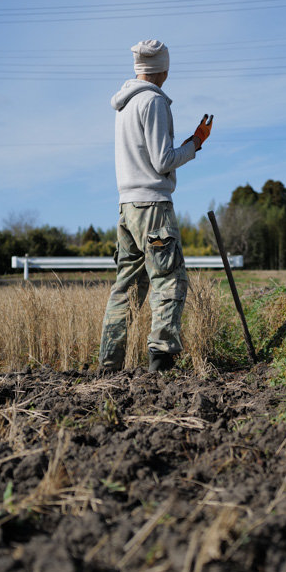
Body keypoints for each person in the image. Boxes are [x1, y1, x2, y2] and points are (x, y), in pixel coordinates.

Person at [98, 39, 213, 373]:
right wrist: (195, 144)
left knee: (126, 287)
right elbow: (163, 160)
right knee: (169, 280)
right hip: (153, 206)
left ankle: (109, 365)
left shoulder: (123, 105)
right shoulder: (153, 102)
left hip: (126, 207)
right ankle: (160, 363)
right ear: (162, 68)